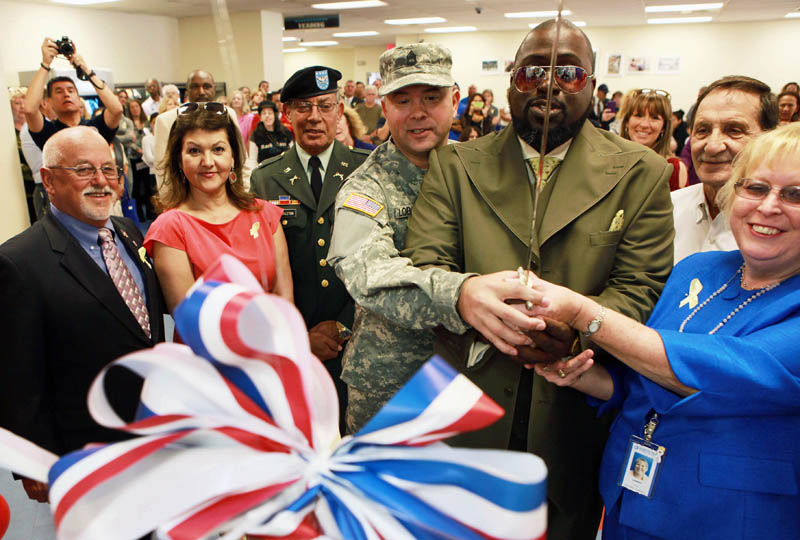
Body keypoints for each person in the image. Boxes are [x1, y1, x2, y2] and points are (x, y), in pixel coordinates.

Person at [402, 20, 675, 540]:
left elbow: (642, 287)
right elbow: (425, 266)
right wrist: (475, 302)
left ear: (593, 85)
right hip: (467, 399)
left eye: (569, 73)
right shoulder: (455, 164)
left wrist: (573, 331)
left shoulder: (641, 172)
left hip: (576, 412)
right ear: (511, 83)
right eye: (532, 72)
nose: (549, 84)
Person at [526, 122, 800, 540]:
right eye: (756, 188)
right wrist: (586, 377)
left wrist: (586, 313)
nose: (768, 206)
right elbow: (643, 378)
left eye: (794, 195)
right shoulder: (698, 270)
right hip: (631, 498)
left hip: (730, 519)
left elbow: (721, 374)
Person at [328, 44, 509, 433]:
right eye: (403, 99)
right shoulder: (366, 187)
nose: (418, 112)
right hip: (393, 387)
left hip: (476, 378)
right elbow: (368, 274)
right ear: (384, 107)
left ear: (456, 100)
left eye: (432, 97)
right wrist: (461, 296)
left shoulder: (482, 171)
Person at [0, 126, 165, 501]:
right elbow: (16, 375)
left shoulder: (127, 233)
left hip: (153, 430)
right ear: (48, 180)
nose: (101, 182)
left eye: (109, 170)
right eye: (84, 170)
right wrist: (32, 460)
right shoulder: (18, 262)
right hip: (85, 447)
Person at [249, 66, 370, 430]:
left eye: (325, 105)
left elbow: (380, 257)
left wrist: (344, 326)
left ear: (339, 110)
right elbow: (263, 266)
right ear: (287, 114)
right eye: (303, 107)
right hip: (292, 341)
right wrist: (300, 335)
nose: (314, 117)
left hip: (357, 338)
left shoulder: (366, 170)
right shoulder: (265, 178)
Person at [144, 102, 292, 314]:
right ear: (179, 159)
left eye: (218, 149)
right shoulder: (170, 228)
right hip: (205, 345)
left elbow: (284, 300)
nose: (208, 161)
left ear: (233, 157)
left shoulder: (265, 214)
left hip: (274, 341)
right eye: (194, 151)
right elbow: (190, 317)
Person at [672, 76, 778, 264]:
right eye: (703, 130)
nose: (712, 146)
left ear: (769, 138)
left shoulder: (783, 228)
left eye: (734, 130)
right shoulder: (667, 209)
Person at [154, 70, 252, 190]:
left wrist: (245, 193)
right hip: (184, 196)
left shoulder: (228, 113)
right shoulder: (166, 120)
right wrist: (170, 203)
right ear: (188, 89)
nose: (201, 92)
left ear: (214, 88)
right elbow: (162, 170)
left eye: (206, 86)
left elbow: (241, 160)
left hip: (226, 195)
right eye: (195, 87)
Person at [24, 38, 123, 150]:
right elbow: (29, 110)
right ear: (49, 101)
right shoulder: (49, 132)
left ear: (78, 97)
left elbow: (116, 110)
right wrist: (45, 64)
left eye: (71, 90)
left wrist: (87, 71)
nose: (66, 94)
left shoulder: (95, 126)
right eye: (59, 91)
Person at [619, 88, 688, 190]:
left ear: (664, 127)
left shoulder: (674, 168)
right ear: (627, 122)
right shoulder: (609, 161)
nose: (644, 124)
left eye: (654, 118)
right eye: (638, 115)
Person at [11, 89, 36, 222]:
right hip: (22, 187)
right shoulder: (9, 132)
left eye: (24, 102)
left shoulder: (36, 128)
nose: (21, 106)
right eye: (16, 103)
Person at [246, 100, 293, 167]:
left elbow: (292, 155)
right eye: (264, 113)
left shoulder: (285, 132)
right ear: (260, 117)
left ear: (275, 115)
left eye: (270, 113)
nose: (267, 116)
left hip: (285, 170)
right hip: (264, 172)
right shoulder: (255, 135)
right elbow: (253, 160)